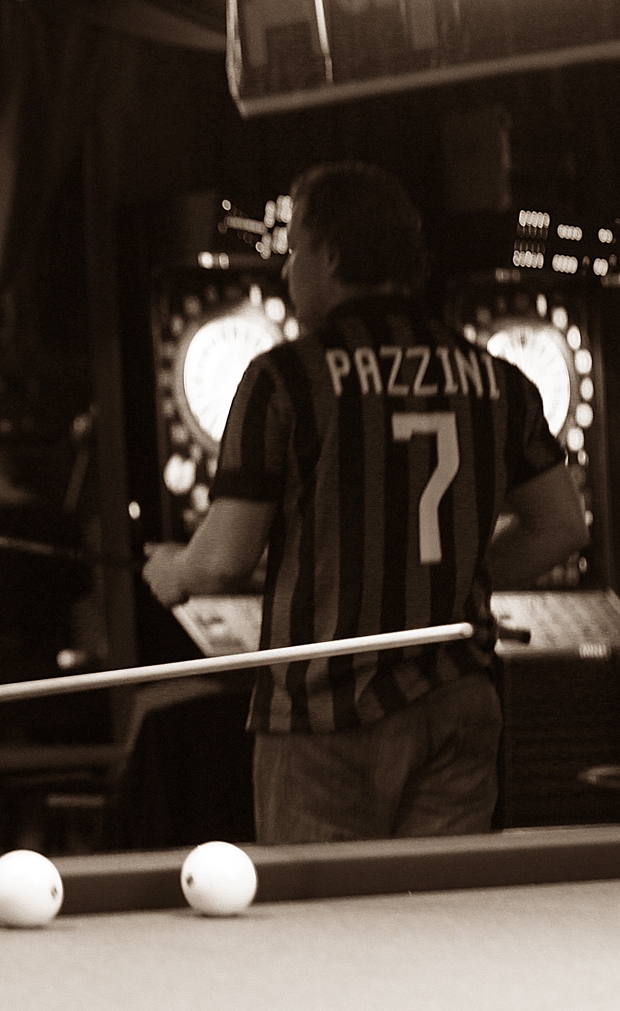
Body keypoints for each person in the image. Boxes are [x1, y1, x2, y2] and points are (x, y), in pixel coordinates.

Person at [142, 161, 589, 845]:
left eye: (294, 250)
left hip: (324, 715)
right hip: (457, 705)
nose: (287, 271)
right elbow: (561, 527)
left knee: (326, 912)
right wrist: (451, 578)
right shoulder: (499, 380)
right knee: (435, 905)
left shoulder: (285, 378)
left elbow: (225, 558)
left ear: (329, 255)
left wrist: (174, 571)